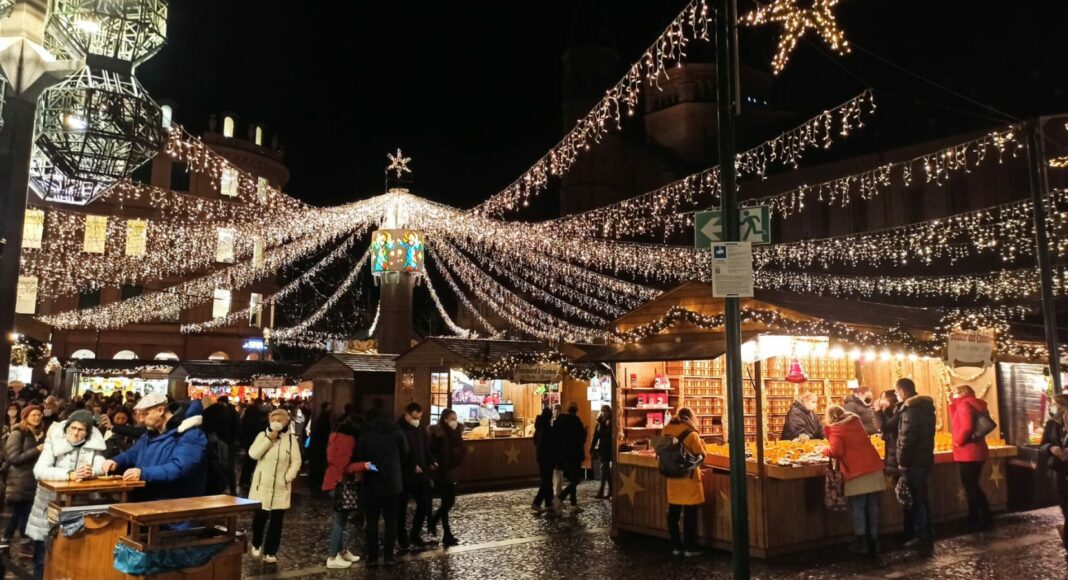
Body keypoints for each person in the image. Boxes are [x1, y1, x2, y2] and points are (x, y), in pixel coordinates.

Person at [26, 410, 107, 577]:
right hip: (49, 506)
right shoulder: (53, 442)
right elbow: (40, 471)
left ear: (88, 432)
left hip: (77, 507)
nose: (76, 432)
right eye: (73, 428)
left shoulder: (94, 446)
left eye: (81, 430)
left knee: (70, 555)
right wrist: (70, 474)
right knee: (44, 556)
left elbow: (100, 465)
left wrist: (92, 470)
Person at [101, 393, 208, 501]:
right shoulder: (151, 433)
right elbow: (134, 453)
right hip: (148, 499)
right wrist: (116, 461)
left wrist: (143, 473)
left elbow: (180, 468)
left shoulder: (191, 434)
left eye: (144, 414)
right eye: (138, 415)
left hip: (174, 503)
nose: (141, 420)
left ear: (160, 410)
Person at [822, 405, 885, 556]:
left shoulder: (836, 430)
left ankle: (862, 542)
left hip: (856, 470)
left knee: (858, 506)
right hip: (873, 466)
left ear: (830, 418)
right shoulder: (856, 423)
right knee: (872, 505)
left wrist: (824, 450)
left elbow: (837, 451)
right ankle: (874, 541)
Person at [246, 409, 301, 564]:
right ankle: (256, 543)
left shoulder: (291, 440)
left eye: (281, 419)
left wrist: (288, 477)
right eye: (274, 418)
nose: (277, 421)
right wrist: (269, 439)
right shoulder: (262, 436)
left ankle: (271, 551)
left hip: (280, 487)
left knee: (277, 521)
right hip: (262, 486)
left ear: (286, 422)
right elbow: (253, 454)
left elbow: (296, 460)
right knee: (260, 517)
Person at [355, 409, 408, 567]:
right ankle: (389, 557)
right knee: (391, 521)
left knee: (371, 522)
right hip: (393, 483)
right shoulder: (396, 433)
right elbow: (406, 452)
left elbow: (359, 456)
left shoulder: (366, 435)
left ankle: (372, 558)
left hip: (372, 482)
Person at [321, 412, 369, 569]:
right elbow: (345, 467)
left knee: (339, 520)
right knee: (340, 522)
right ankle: (332, 557)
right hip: (340, 483)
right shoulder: (347, 440)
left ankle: (341, 552)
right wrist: (364, 465)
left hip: (332, 481)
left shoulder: (335, 436)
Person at [895, 378, 936, 555]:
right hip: (925, 458)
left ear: (903, 392)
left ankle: (922, 535)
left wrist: (903, 462)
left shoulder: (910, 411)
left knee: (917, 501)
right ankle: (926, 532)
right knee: (922, 499)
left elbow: (907, 440)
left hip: (913, 462)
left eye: (897, 392)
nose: (897, 395)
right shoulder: (926, 407)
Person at [662, 407, 705, 557]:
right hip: (688, 479)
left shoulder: (666, 430)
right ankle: (690, 547)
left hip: (672, 478)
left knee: (673, 514)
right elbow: (701, 455)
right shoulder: (692, 434)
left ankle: (675, 545)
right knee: (689, 514)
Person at [949, 384, 992, 529]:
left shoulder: (964, 404)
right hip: (978, 450)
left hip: (968, 451)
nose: (952, 394)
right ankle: (979, 515)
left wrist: (958, 441)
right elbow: (960, 421)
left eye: (954, 392)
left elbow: (966, 427)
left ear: (962, 393)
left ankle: (980, 517)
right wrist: (952, 404)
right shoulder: (975, 404)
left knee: (971, 487)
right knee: (973, 485)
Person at [3, 406, 44, 543]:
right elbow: (14, 458)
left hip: (31, 479)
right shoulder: (18, 433)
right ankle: (10, 537)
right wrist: (37, 450)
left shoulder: (36, 434)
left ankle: (16, 536)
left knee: (23, 510)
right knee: (20, 510)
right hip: (19, 479)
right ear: (25, 417)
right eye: (33, 415)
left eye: (39, 415)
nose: (37, 417)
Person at [397, 402, 434, 551]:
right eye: (415, 417)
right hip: (405, 475)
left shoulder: (419, 428)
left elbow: (425, 448)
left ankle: (415, 534)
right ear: (407, 415)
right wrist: (411, 465)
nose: (418, 419)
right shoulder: (399, 430)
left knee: (423, 504)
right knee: (401, 508)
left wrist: (431, 461)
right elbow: (400, 452)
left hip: (421, 474)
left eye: (420, 416)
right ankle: (401, 537)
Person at [428, 409, 465, 546]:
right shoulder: (438, 434)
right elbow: (431, 451)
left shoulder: (457, 433)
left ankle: (434, 521)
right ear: (445, 420)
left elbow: (461, 448)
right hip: (441, 472)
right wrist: (434, 463)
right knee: (446, 501)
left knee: (450, 501)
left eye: (455, 418)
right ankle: (447, 534)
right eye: (452, 418)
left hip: (452, 471)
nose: (454, 421)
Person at [1041, 394, 1068, 564]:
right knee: (1065, 507)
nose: (1054, 408)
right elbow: (1043, 445)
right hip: (1059, 470)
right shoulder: (1052, 424)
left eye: (1058, 405)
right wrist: (1051, 448)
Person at [202, 395, 241, 495]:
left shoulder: (210, 413)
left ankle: (222, 488)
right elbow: (237, 427)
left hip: (220, 442)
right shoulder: (232, 411)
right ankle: (232, 490)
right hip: (228, 442)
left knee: (220, 466)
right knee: (228, 467)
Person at [553, 402, 587, 513]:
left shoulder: (562, 421)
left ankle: (573, 503)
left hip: (564, 454)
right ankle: (561, 497)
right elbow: (581, 439)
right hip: (575, 454)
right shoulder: (576, 421)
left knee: (573, 479)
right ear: (576, 410)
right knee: (575, 480)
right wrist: (585, 432)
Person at [239, 399, 269, 494]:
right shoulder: (259, 417)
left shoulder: (248, 415)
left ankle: (245, 480)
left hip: (249, 440)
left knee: (249, 461)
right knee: (254, 461)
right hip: (255, 440)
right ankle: (250, 480)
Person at [531, 405, 556, 512]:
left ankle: (549, 503)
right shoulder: (547, 430)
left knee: (547, 481)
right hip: (547, 458)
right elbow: (550, 445)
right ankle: (537, 502)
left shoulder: (539, 428)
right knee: (546, 482)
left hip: (542, 458)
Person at [591, 404, 613, 499]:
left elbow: (606, 435)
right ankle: (611, 489)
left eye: (606, 411)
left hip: (608, 449)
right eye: (602, 411)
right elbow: (596, 436)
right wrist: (592, 447)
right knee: (605, 471)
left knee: (604, 469)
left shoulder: (610, 422)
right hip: (602, 448)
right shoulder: (599, 423)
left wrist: (602, 424)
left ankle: (602, 490)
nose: (604, 413)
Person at [309, 402, 333, 489]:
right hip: (321, 444)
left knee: (319, 462)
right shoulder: (324, 418)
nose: (331, 409)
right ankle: (317, 481)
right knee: (319, 462)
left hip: (320, 443)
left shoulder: (323, 417)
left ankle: (317, 480)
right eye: (329, 407)